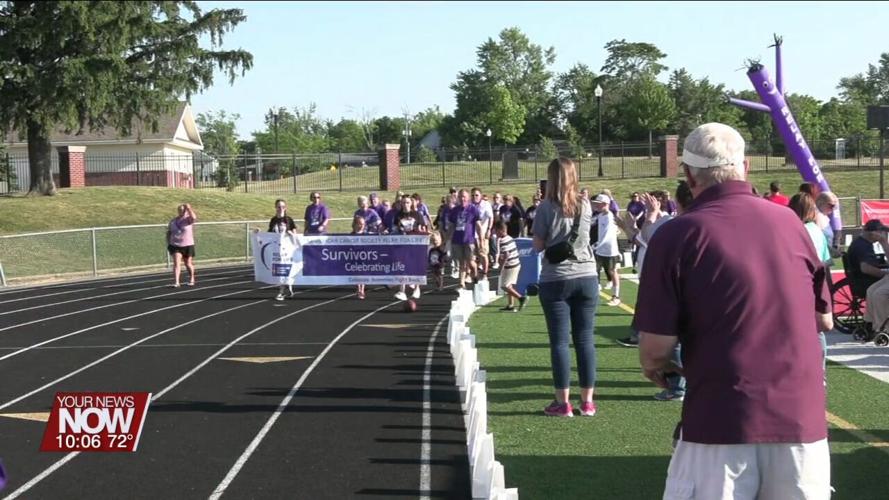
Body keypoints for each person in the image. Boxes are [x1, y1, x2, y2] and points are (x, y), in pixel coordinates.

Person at [635, 123, 833, 499]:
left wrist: (656, 367)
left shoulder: (679, 234)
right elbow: (823, 318)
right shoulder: (792, 224)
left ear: (689, 173)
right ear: (746, 166)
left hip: (722, 418)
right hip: (800, 419)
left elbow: (655, 349)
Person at [532, 157, 598, 417]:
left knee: (559, 343)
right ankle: (588, 401)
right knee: (585, 340)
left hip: (556, 277)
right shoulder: (585, 205)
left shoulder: (546, 207)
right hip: (587, 274)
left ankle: (562, 402)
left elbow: (537, 246)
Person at [789, 192, 832, 377]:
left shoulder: (793, 230)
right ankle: (819, 372)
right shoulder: (816, 230)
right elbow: (825, 262)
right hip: (816, 284)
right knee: (817, 330)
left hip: (796, 283)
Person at [848, 219, 889, 335]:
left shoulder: (864, 243)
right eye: (881, 232)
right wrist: (885, 273)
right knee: (874, 291)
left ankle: (876, 325)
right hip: (864, 280)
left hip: (866, 278)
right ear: (873, 233)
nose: (884, 234)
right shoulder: (863, 246)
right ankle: (878, 326)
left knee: (877, 292)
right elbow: (866, 268)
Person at [446, 188, 483, 291]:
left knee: (470, 262)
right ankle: (462, 283)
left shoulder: (473, 209)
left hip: (469, 240)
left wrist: (481, 240)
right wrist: (446, 240)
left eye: (464, 197)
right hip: (457, 240)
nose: (462, 199)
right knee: (462, 262)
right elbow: (451, 226)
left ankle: (475, 272)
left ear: (468, 198)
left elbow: (478, 226)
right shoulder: (454, 211)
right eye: (461, 197)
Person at [394, 196, 427, 301]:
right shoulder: (398, 215)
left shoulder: (417, 215)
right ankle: (402, 290)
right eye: (403, 203)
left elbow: (423, 228)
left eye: (407, 202)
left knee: (415, 265)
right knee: (402, 266)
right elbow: (395, 228)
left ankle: (417, 288)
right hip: (402, 244)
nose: (405, 205)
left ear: (411, 203)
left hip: (415, 243)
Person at [591, 194, 621, 306]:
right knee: (594, 270)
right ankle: (594, 293)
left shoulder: (609, 216)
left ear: (605, 204)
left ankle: (616, 297)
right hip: (600, 250)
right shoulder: (600, 216)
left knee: (612, 272)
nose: (596, 206)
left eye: (599, 204)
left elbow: (607, 235)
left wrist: (597, 245)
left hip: (610, 250)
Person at [266, 199, 299, 301]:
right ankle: (284, 289)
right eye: (279, 207)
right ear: (275, 208)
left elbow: (295, 234)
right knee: (279, 270)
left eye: (283, 207)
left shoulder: (289, 220)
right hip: (277, 250)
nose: (281, 209)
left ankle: (283, 291)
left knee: (286, 270)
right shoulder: (273, 220)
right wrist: (258, 233)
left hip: (287, 250)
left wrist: (291, 234)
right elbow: (269, 234)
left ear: (286, 208)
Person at [494, 221, 526, 312]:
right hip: (514, 264)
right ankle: (510, 305)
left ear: (500, 230)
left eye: (496, 231)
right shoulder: (509, 238)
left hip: (511, 266)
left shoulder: (503, 241)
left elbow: (506, 255)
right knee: (509, 285)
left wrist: (501, 267)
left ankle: (521, 298)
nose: (495, 233)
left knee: (504, 286)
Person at [166, 203, 197, 288]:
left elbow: (194, 217)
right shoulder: (173, 221)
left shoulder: (188, 219)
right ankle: (176, 282)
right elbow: (169, 232)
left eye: (183, 210)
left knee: (188, 263)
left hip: (187, 244)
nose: (181, 211)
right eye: (179, 210)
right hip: (175, 245)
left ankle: (192, 278)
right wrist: (168, 242)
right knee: (176, 263)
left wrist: (189, 208)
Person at [471, 187, 494, 277]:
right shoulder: (470, 205)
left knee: (483, 253)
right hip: (472, 234)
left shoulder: (486, 205)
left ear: (480, 196)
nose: (474, 197)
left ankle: (485, 273)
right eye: (472, 195)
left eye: (476, 195)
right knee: (471, 255)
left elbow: (491, 217)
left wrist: (489, 229)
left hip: (482, 233)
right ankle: (472, 274)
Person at [351, 215, 368, 299]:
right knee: (356, 273)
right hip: (354, 257)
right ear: (355, 224)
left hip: (364, 257)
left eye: (363, 224)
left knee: (363, 273)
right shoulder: (351, 235)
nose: (362, 226)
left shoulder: (366, 235)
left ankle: (362, 290)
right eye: (360, 224)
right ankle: (358, 289)